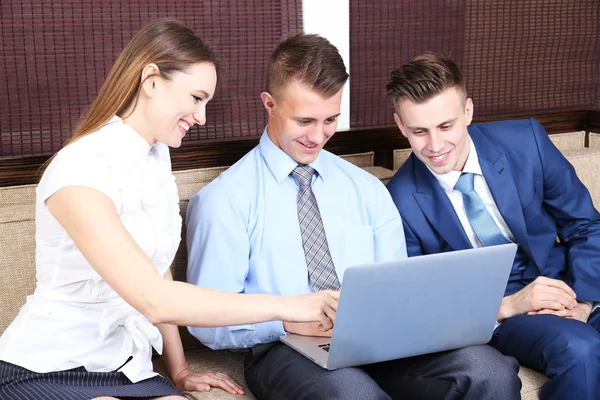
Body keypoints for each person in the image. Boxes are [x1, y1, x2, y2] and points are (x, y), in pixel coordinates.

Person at [0, 19, 340, 400]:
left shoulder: (156, 158)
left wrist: (179, 371)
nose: (201, 117)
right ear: (151, 81)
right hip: (47, 365)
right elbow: (154, 299)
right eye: (196, 98)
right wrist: (292, 307)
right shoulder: (79, 169)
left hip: (125, 367)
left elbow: (156, 268)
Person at [185, 34, 520, 400]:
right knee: (353, 395)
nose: (318, 136)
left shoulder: (366, 188)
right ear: (269, 104)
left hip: (380, 338)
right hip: (283, 346)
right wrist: (285, 319)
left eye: (330, 119)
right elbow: (205, 320)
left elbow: (399, 286)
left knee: (490, 372)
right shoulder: (224, 200)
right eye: (305, 120)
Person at [386, 53, 600, 400]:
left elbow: (586, 225)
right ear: (400, 125)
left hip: (568, 283)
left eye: (446, 126)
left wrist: (584, 303)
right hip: (500, 309)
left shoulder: (525, 141)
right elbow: (423, 300)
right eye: (419, 132)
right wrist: (511, 304)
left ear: (468, 111)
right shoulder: (399, 200)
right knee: (580, 348)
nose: (436, 146)